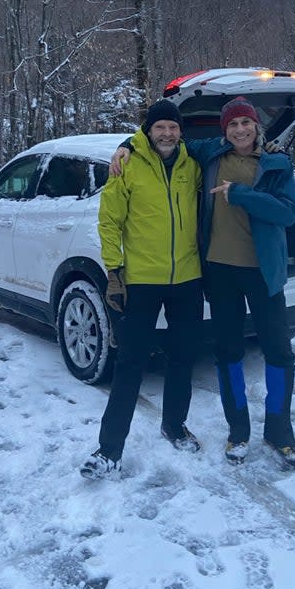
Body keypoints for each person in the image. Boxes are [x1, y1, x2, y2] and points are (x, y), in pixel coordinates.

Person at [111, 96, 295, 469]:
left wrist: (242, 194)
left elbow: (289, 212)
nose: (239, 130)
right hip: (219, 272)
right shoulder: (210, 154)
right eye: (232, 125)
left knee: (279, 352)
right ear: (224, 130)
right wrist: (123, 146)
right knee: (229, 351)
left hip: (264, 273)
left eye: (246, 123)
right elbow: (162, 139)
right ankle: (238, 431)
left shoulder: (277, 162)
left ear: (256, 126)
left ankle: (280, 432)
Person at [80, 99, 204, 480]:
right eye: (159, 127)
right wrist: (114, 271)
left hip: (187, 277)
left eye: (173, 127)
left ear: (181, 131)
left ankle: (174, 426)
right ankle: (109, 449)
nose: (167, 134)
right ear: (148, 131)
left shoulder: (193, 164)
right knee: (130, 363)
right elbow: (109, 220)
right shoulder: (128, 163)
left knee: (183, 357)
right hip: (141, 279)